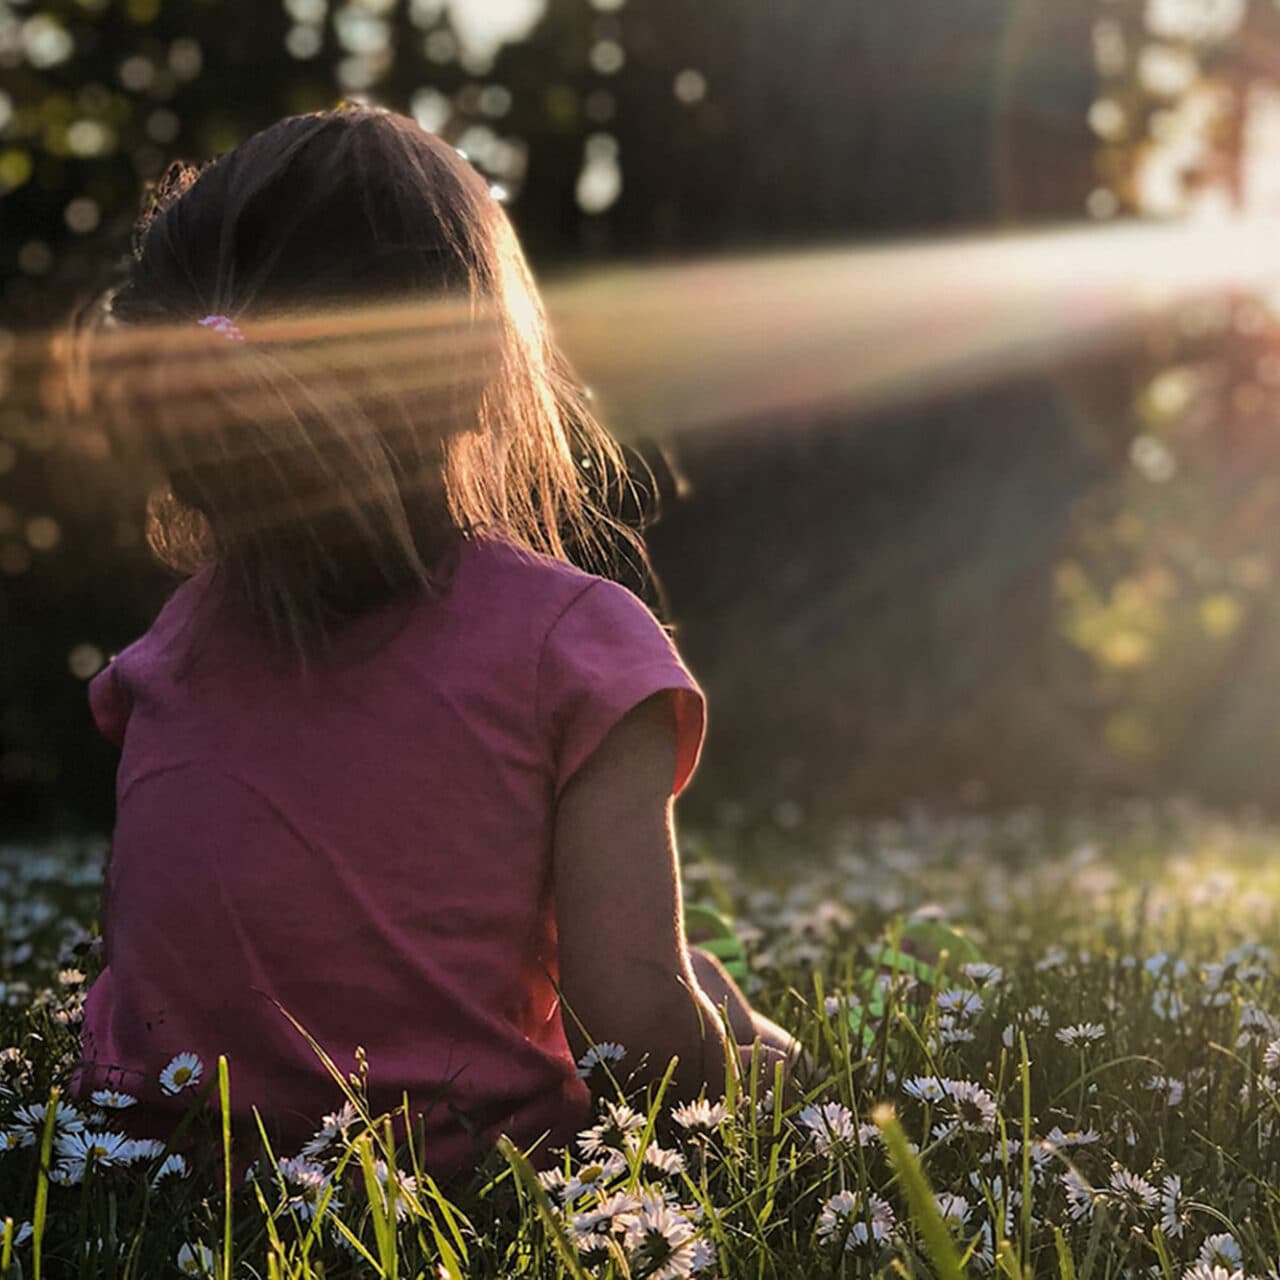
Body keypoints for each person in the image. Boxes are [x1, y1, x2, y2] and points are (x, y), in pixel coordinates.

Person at [66, 105, 799, 1184]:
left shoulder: (166, 654)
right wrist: (760, 1072)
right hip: (458, 1176)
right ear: (474, 370)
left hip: (160, 1162)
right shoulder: (574, 646)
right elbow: (635, 1035)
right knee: (710, 1005)